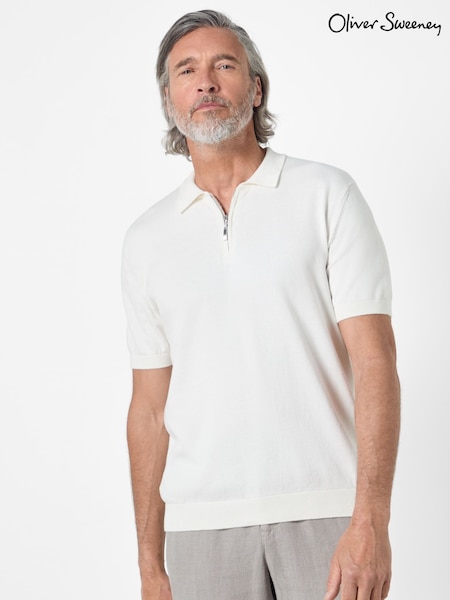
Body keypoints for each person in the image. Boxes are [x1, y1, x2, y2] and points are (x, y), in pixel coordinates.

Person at [121, 9, 400, 600]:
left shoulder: (327, 195)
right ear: (169, 99)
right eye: (186, 70)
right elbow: (149, 409)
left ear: (256, 88)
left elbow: (375, 362)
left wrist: (371, 521)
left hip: (327, 516)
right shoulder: (146, 239)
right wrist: (150, 565)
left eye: (224, 65)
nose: (206, 82)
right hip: (199, 530)